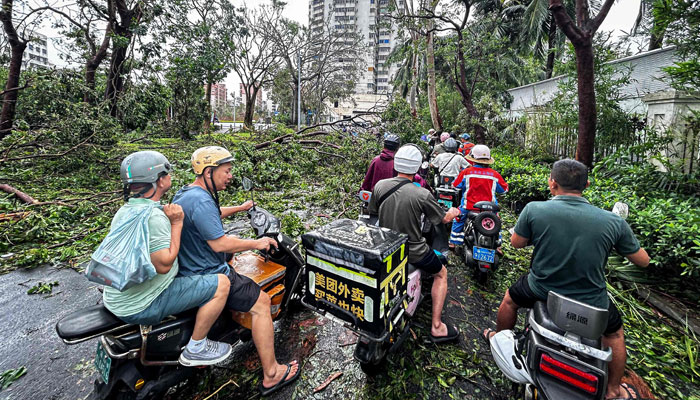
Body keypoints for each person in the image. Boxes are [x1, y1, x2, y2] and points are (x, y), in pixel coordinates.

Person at [483, 159, 650, 400]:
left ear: (552, 183)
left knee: (510, 300)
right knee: (613, 334)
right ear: (587, 185)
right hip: (592, 302)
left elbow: (516, 243)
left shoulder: (534, 209)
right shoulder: (613, 221)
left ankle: (498, 337)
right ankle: (613, 389)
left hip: (540, 290)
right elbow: (643, 261)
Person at [173, 146, 300, 395]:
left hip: (189, 268)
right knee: (261, 303)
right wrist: (256, 243)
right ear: (209, 172)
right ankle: (272, 373)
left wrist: (241, 208)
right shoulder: (201, 200)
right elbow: (219, 243)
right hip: (209, 270)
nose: (230, 176)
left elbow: (213, 213)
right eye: (227, 171)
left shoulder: (188, 194)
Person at [103, 151, 232, 367]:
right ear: (160, 180)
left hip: (116, 297)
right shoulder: (155, 217)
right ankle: (197, 347)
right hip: (141, 304)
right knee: (222, 284)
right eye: (167, 172)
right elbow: (164, 265)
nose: (170, 176)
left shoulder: (127, 210)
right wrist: (177, 223)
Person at [368, 144, 462, 343]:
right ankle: (437, 326)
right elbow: (442, 219)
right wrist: (453, 212)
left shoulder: (380, 186)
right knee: (442, 273)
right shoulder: (422, 194)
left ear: (397, 163)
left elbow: (373, 214)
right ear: (418, 167)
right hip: (414, 252)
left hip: (386, 249)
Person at [449, 145, 508, 247]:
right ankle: (498, 246)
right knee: (496, 222)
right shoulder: (494, 175)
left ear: (473, 159)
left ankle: (454, 242)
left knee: (458, 219)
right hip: (490, 209)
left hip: (468, 207)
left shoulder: (466, 172)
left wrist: (454, 185)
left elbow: (455, 186)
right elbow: (504, 190)